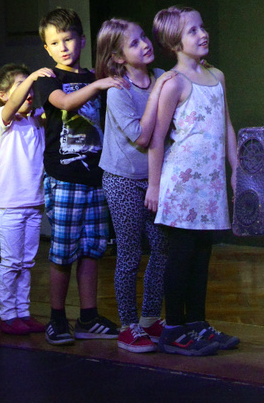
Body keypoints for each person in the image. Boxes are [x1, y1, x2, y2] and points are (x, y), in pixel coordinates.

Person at [145, 6, 238, 357]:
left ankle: (197, 323)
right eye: (192, 31)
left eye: (202, 27)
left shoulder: (217, 77)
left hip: (209, 185)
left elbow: (226, 125)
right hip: (182, 185)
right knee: (182, 256)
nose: (203, 34)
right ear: (174, 42)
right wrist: (155, 185)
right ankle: (173, 328)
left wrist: (236, 168)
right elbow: (157, 138)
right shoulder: (173, 83)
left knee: (202, 255)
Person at [33, 8, 123, 345]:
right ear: (47, 48)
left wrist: (102, 80)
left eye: (68, 39)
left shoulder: (94, 76)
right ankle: (57, 318)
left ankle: (88, 317)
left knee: (91, 250)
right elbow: (65, 103)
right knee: (63, 251)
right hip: (65, 177)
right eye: (55, 42)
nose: (63, 47)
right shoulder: (48, 78)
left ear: (82, 40)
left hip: (95, 177)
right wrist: (98, 84)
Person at [95, 18, 176, 353]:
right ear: (117, 56)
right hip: (122, 180)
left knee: (161, 250)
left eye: (144, 37)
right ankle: (128, 325)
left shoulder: (160, 76)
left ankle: (150, 318)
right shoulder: (118, 90)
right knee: (129, 253)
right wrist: (157, 92)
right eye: (134, 43)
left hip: (155, 178)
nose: (145, 44)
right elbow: (141, 136)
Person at [0, 63, 55, 335]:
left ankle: (23, 312)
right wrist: (32, 77)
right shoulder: (1, 119)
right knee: (11, 262)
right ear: (3, 95)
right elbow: (13, 105)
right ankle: (8, 315)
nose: (29, 91)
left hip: (33, 203)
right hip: (9, 205)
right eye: (21, 85)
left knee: (27, 263)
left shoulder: (37, 119)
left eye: (30, 86)